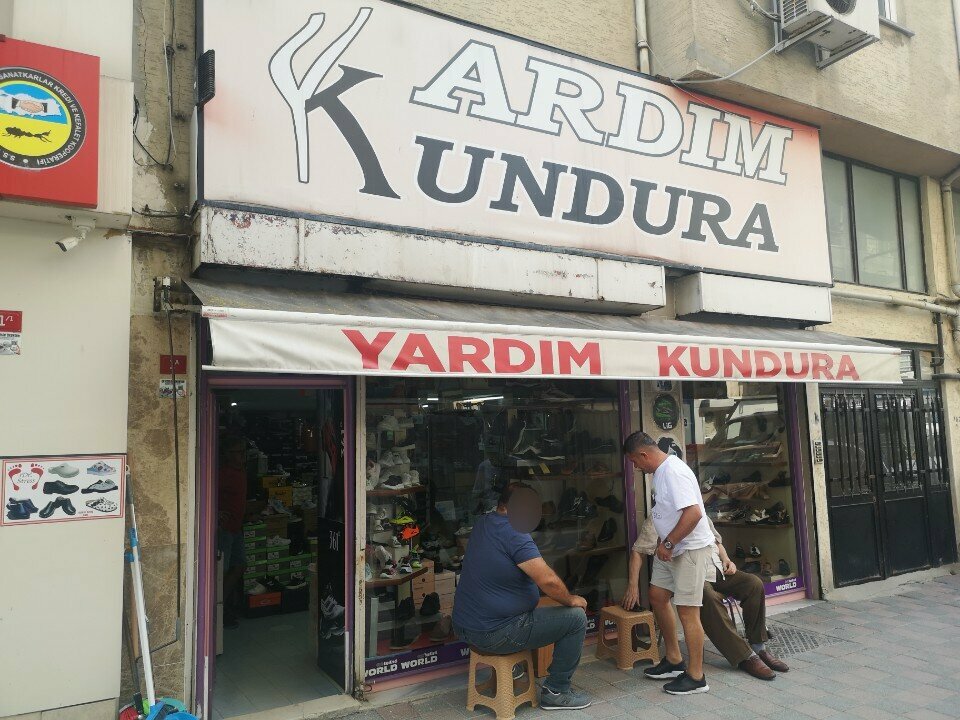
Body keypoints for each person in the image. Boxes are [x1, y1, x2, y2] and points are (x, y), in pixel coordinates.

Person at [453, 482, 593, 711]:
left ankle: (515, 670)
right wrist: (571, 599)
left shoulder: (484, 522)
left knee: (530, 609)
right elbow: (547, 580)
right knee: (575, 619)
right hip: (495, 631)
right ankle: (556, 691)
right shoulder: (513, 533)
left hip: (465, 626)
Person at [624, 517, 788, 681]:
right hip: (692, 575)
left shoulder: (698, 513)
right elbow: (639, 551)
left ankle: (758, 647)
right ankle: (745, 656)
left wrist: (727, 560)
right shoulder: (658, 519)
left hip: (717, 570)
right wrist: (633, 585)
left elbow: (716, 542)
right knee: (707, 595)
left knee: (754, 584)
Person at [622, 431, 717, 695]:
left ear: (643, 454)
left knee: (687, 611)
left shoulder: (674, 472)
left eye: (635, 462)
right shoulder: (660, 472)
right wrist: (664, 542)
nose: (636, 467)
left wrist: (668, 543)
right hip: (671, 548)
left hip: (688, 549)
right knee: (657, 595)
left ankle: (696, 677)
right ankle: (674, 660)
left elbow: (694, 513)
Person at [218, 436, 249, 629]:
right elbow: (208, 491)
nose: (241, 456)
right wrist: (216, 513)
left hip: (236, 528)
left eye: (243, 452)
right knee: (222, 570)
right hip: (225, 529)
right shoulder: (224, 473)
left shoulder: (240, 472)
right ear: (228, 454)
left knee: (239, 565)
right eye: (238, 452)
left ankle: (220, 604)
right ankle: (217, 608)